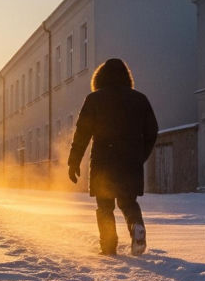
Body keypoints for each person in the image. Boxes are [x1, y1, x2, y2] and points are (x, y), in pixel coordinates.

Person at [67, 58, 158, 256]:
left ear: (100, 78)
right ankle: (136, 227)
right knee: (128, 202)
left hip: (103, 163)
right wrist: (140, 155)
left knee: (105, 206)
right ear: (126, 77)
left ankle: (108, 246)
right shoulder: (140, 99)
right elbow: (152, 131)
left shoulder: (94, 99)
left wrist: (73, 161)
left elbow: (82, 134)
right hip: (130, 163)